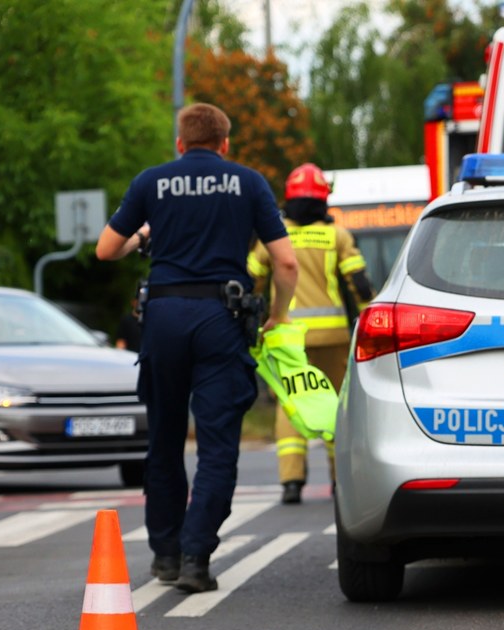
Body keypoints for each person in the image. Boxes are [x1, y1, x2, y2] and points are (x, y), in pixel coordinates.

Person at [96, 103, 298, 593]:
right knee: (216, 445)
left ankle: (164, 553)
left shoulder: (152, 182)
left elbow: (106, 249)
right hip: (220, 320)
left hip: (163, 319)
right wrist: (278, 314)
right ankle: (195, 558)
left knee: (164, 439)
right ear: (226, 143)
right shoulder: (248, 183)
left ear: (180, 144)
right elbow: (286, 264)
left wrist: (146, 233)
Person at [248, 162, 373, 504]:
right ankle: (338, 479)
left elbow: (250, 277)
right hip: (332, 336)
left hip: (287, 337)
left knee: (291, 403)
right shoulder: (337, 236)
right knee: (334, 403)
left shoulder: (274, 236)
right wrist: (370, 324)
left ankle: (291, 481)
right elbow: (359, 285)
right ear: (323, 200)